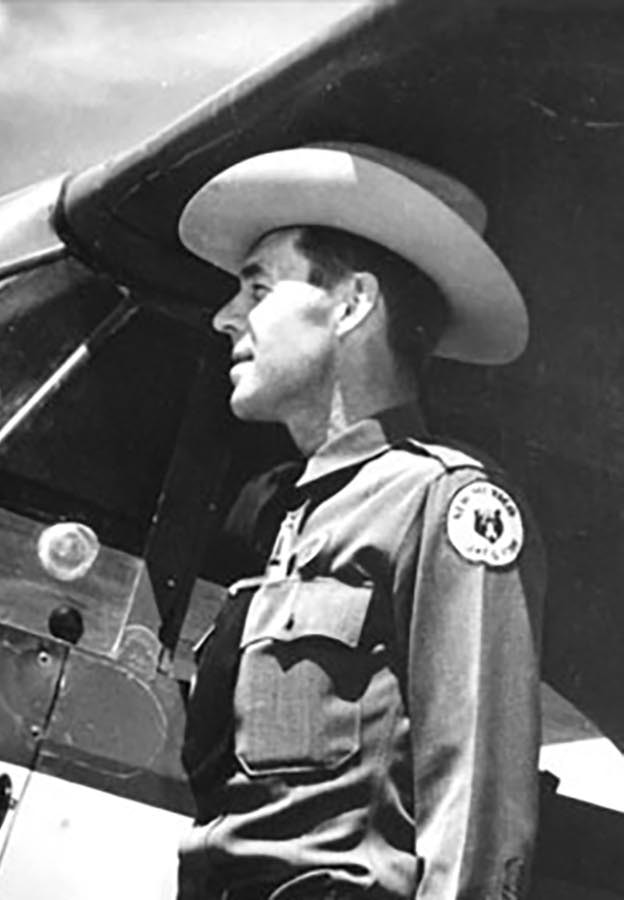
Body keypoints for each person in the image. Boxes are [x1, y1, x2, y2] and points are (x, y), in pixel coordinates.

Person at [172, 143, 545, 899]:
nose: (224, 317)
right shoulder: (291, 517)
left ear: (351, 305)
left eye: (257, 288)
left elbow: (475, 815)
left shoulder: (444, 503)